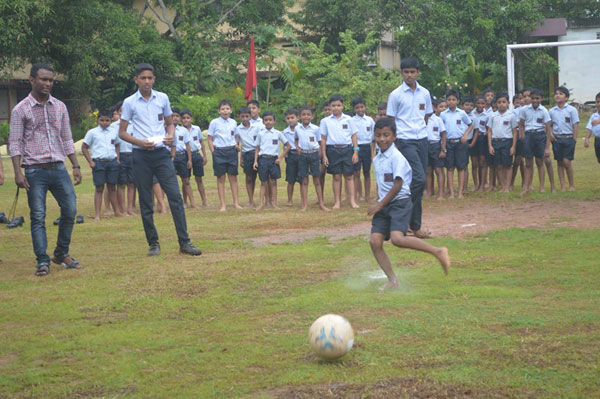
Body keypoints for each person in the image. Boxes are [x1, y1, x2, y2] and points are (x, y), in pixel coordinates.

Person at [119, 63, 202, 256]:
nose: (147, 81)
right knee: (146, 200)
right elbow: (122, 133)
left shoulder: (162, 98)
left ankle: (185, 242)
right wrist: (140, 142)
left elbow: (169, 124)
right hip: (140, 155)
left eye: (150, 78)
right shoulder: (130, 102)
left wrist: (171, 135)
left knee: (175, 196)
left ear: (154, 79)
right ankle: (153, 243)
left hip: (162, 153)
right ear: (136, 80)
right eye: (143, 78)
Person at [9, 63, 83, 276]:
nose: (47, 84)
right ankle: (42, 260)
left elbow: (67, 138)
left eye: (50, 80)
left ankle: (61, 253)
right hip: (34, 170)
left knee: (70, 209)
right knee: (38, 216)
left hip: (59, 167)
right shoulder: (20, 109)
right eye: (43, 79)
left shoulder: (59, 106)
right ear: (32, 80)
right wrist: (18, 172)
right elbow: (15, 143)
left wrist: (75, 165)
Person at [368, 118, 450, 291]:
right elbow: (381, 183)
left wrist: (380, 205)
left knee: (397, 238)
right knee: (375, 241)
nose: (382, 139)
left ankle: (438, 251)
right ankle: (392, 281)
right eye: (378, 135)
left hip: (399, 202)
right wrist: (379, 201)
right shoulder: (377, 159)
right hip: (384, 204)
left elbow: (398, 185)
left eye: (386, 135)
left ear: (394, 137)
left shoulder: (397, 157)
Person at [386, 57, 433, 238]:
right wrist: (394, 144)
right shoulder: (396, 95)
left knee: (415, 184)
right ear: (401, 73)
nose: (409, 75)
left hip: (422, 139)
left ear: (418, 72)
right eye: (406, 72)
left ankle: (413, 225)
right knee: (419, 179)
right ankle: (404, 222)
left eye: (413, 72)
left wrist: (421, 132)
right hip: (405, 140)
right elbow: (391, 121)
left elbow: (426, 116)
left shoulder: (425, 93)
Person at [81, 109, 124, 220]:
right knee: (99, 188)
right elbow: (84, 147)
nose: (104, 123)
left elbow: (118, 144)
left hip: (112, 162)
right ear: (98, 120)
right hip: (99, 163)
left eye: (107, 120)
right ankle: (97, 214)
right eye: (102, 120)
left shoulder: (114, 131)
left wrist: (117, 158)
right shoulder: (92, 132)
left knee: (112, 188)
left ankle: (117, 212)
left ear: (110, 120)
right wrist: (90, 161)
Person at [321, 94, 360, 209]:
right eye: (333, 105)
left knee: (349, 176)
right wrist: (324, 155)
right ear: (330, 107)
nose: (336, 108)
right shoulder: (325, 121)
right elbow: (323, 139)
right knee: (336, 176)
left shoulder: (349, 119)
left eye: (338, 105)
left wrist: (355, 152)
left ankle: (352, 200)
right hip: (332, 150)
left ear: (342, 106)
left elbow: (354, 136)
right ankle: (337, 201)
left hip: (347, 149)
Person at [208, 99, 243, 211]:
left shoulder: (233, 122)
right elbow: (210, 138)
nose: (225, 111)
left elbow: (236, 136)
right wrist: (213, 152)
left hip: (231, 152)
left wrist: (236, 145)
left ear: (231, 110)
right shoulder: (214, 122)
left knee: (233, 177)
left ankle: (236, 203)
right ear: (219, 111)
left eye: (227, 109)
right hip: (219, 152)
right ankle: (223, 205)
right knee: (221, 178)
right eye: (223, 109)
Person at [519, 88, 554, 194]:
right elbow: (521, 123)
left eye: (537, 98)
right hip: (528, 135)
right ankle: (526, 187)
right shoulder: (525, 109)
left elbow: (548, 129)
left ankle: (542, 187)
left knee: (539, 162)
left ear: (541, 99)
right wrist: (522, 136)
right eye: (533, 98)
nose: (534, 100)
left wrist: (547, 147)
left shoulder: (544, 111)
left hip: (539, 135)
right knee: (528, 163)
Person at [253, 112, 290, 210]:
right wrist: (255, 161)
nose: (268, 122)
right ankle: (261, 203)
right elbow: (257, 148)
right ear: (263, 121)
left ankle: (274, 203)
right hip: (263, 159)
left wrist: (281, 157)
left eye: (270, 120)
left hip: (274, 160)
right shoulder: (260, 133)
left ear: (274, 121)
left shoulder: (278, 133)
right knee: (263, 182)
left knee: (273, 182)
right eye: (266, 120)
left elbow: (288, 145)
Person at [295, 105, 329, 211]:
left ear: (312, 116)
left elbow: (320, 142)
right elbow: (296, 139)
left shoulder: (316, 129)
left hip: (314, 154)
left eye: (308, 114)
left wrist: (321, 155)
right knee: (304, 180)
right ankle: (304, 205)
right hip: (303, 155)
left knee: (317, 180)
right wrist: (297, 147)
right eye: (303, 115)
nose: (306, 117)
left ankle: (321, 204)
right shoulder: (297, 128)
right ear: (300, 117)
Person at [440, 90, 473, 199]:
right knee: (449, 168)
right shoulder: (443, 114)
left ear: (458, 101)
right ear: (446, 101)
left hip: (460, 143)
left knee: (461, 167)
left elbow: (470, 125)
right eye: (449, 99)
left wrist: (465, 136)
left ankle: (460, 192)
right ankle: (452, 193)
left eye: (454, 99)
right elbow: (441, 130)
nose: (451, 102)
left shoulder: (462, 113)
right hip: (449, 143)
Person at [549, 87, 579, 192]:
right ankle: (562, 186)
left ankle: (571, 185)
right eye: (556, 94)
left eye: (561, 94)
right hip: (557, 139)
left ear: (566, 97)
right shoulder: (552, 111)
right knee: (560, 162)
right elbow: (549, 125)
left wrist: (574, 140)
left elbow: (575, 125)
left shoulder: (572, 110)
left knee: (567, 161)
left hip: (568, 138)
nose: (558, 95)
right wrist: (550, 134)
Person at [487, 93, 517, 192]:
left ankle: (508, 186)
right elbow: (490, 131)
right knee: (498, 165)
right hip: (495, 142)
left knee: (508, 165)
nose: (501, 104)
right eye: (499, 102)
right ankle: (503, 186)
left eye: (504, 102)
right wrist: (490, 145)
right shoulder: (492, 116)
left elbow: (514, 131)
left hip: (507, 142)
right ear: (496, 104)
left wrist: (513, 146)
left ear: (508, 103)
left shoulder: (511, 116)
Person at [112, 101, 137, 215]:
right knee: (121, 183)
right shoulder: (113, 126)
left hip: (132, 154)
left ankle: (131, 208)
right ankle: (122, 209)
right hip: (120, 155)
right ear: (118, 112)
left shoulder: (135, 125)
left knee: (132, 183)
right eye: (121, 111)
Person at [181, 109, 208, 206]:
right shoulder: (179, 130)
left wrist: (204, 156)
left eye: (188, 118)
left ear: (191, 119)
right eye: (183, 118)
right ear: (181, 120)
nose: (186, 120)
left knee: (199, 179)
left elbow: (201, 142)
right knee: (185, 179)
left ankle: (204, 201)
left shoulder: (196, 129)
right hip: (184, 156)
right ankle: (185, 201)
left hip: (196, 155)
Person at [351, 97, 376, 203]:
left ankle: (367, 196)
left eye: (362, 107)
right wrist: (355, 151)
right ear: (354, 109)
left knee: (367, 172)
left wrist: (372, 153)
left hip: (367, 147)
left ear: (365, 107)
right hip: (356, 148)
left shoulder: (370, 120)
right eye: (357, 108)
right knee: (356, 172)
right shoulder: (351, 121)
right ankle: (358, 195)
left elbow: (374, 138)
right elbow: (353, 136)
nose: (360, 109)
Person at [170, 108, 195, 208]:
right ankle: (164, 204)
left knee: (186, 180)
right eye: (172, 116)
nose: (175, 118)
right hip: (169, 157)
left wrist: (189, 159)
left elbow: (187, 145)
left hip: (181, 156)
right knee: (169, 181)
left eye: (177, 116)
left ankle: (192, 203)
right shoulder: (165, 129)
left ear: (180, 118)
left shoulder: (183, 130)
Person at [235, 106, 260, 207]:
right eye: (242, 116)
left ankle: (267, 200)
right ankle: (251, 200)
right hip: (247, 154)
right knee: (250, 178)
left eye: (247, 116)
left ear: (250, 116)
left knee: (264, 177)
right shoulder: (238, 129)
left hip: (258, 153)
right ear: (239, 117)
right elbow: (238, 143)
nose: (245, 118)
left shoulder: (257, 127)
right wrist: (241, 157)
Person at [425, 99, 447, 200]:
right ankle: (429, 192)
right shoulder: (421, 120)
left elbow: (443, 135)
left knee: (438, 170)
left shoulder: (438, 120)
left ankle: (441, 193)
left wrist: (443, 149)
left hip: (436, 146)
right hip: (425, 146)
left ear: (433, 108)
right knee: (428, 170)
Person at [470, 95, 489, 191]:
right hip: (473, 137)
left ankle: (482, 184)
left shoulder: (487, 115)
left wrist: (486, 133)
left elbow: (489, 128)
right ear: (475, 104)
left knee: (482, 162)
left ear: (485, 104)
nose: (480, 105)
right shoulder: (471, 114)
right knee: (474, 163)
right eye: (478, 103)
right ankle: (476, 184)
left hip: (483, 138)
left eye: (482, 103)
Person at [283, 108, 301, 206]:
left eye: (292, 117)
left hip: (301, 154)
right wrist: (285, 155)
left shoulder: (302, 129)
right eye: (288, 118)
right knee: (290, 179)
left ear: (297, 118)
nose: (290, 120)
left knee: (303, 178)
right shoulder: (285, 132)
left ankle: (304, 198)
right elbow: (285, 145)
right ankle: (289, 200)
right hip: (291, 155)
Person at [462, 96, 477, 192]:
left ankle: (465, 187)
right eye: (467, 105)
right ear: (462, 106)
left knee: (465, 165)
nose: (469, 107)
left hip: (468, 141)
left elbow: (476, 131)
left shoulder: (474, 117)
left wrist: (472, 143)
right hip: (458, 141)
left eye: (471, 105)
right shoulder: (459, 114)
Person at [318, 100, 331, 200]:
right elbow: (320, 139)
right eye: (326, 110)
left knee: (338, 175)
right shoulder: (323, 122)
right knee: (321, 173)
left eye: (329, 109)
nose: (327, 111)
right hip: (323, 150)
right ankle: (320, 196)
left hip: (333, 149)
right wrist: (321, 152)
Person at [584, 92, 600, 164]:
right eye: (597, 102)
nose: (599, 104)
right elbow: (589, 128)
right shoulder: (594, 116)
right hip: (598, 140)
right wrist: (587, 139)